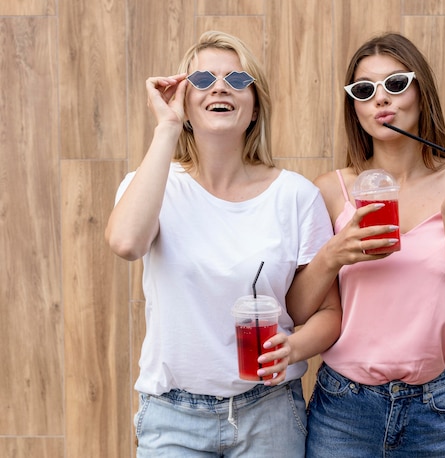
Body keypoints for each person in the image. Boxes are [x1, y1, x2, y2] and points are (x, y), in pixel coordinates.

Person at [105, 30, 341, 457]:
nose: (219, 87)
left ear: (254, 108)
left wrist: (294, 348)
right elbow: (125, 243)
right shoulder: (155, 184)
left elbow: (328, 313)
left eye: (236, 80)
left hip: (268, 412)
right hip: (172, 416)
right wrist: (167, 128)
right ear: (185, 103)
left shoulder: (295, 196)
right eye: (202, 80)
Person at [305, 32, 445, 457]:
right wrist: (333, 255)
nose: (381, 99)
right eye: (365, 90)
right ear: (354, 107)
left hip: (436, 410)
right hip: (344, 411)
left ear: (420, 91)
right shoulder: (329, 192)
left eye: (395, 84)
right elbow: (298, 311)